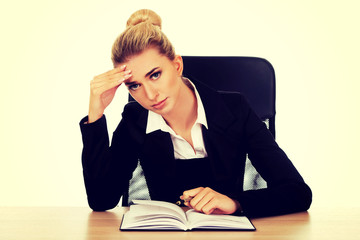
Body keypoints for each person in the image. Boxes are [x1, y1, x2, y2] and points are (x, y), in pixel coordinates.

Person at [80, 9, 312, 217]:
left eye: (155, 75)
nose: (150, 95)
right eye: (134, 85)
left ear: (177, 65)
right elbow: (101, 199)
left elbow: (297, 192)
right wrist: (96, 113)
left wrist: (235, 203)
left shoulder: (235, 110)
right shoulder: (135, 120)